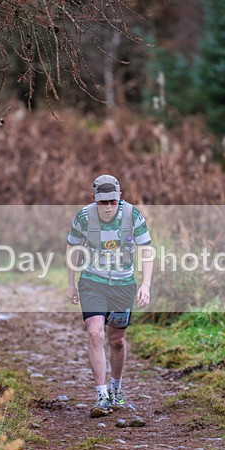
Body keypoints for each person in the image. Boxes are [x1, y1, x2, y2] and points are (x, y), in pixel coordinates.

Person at [66, 175, 153, 418]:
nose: (107, 207)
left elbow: (146, 250)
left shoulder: (133, 216)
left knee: (117, 341)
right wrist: (71, 283)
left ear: (119, 198)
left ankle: (116, 388)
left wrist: (145, 285)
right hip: (93, 282)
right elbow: (72, 247)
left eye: (112, 202)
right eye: (103, 202)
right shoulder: (83, 217)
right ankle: (101, 395)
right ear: (94, 198)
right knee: (94, 332)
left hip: (123, 285)